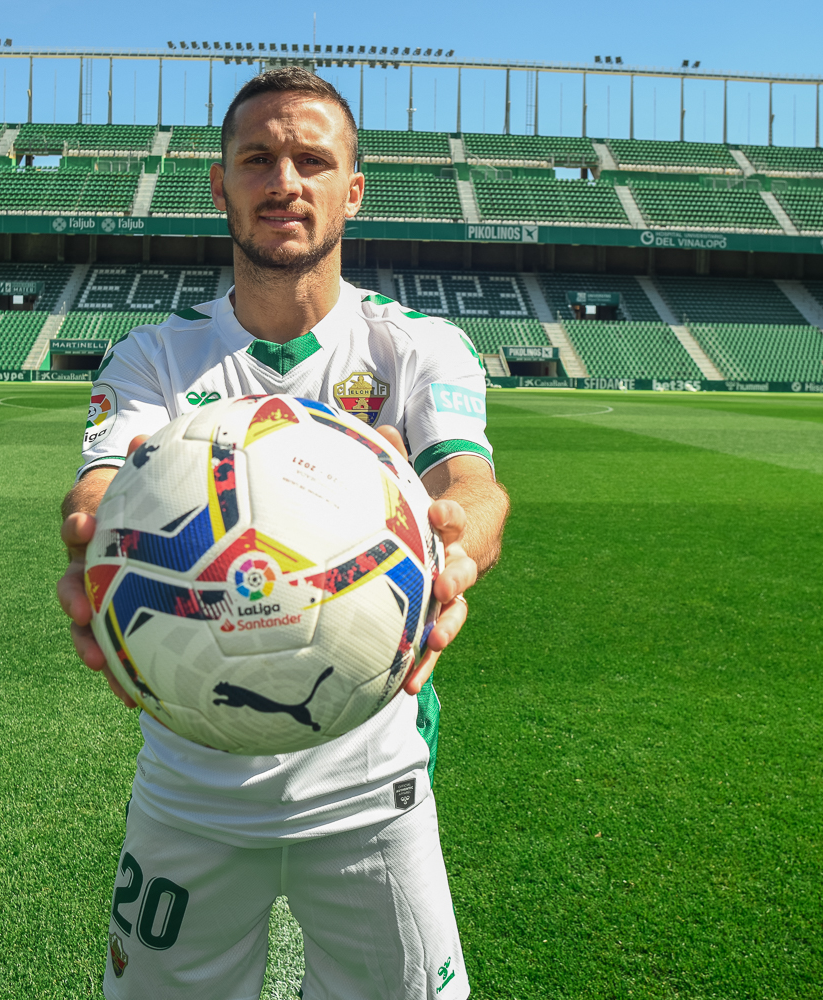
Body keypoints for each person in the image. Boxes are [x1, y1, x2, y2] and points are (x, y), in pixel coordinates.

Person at [55, 67, 509, 1000]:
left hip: (371, 774)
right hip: (190, 779)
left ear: (353, 188)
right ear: (220, 185)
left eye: (312, 159)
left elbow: (472, 485)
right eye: (257, 159)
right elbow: (101, 490)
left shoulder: (417, 345)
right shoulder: (156, 357)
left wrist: (454, 545)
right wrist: (88, 539)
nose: (285, 180)